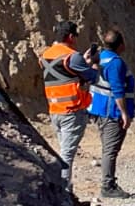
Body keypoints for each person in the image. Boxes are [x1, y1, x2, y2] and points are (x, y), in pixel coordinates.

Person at [40, 20, 98, 188]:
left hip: (54, 111)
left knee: (64, 151)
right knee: (67, 155)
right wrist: (93, 63)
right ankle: (64, 190)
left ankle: (62, 188)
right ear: (71, 36)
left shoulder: (45, 55)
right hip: (72, 112)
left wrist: (83, 62)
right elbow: (92, 77)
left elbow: (64, 73)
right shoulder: (72, 56)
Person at [88, 28, 135, 200]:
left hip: (99, 109)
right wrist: (124, 113)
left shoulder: (100, 57)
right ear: (120, 45)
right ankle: (107, 185)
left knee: (108, 148)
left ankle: (109, 183)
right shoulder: (115, 63)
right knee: (110, 150)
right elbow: (117, 90)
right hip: (111, 111)